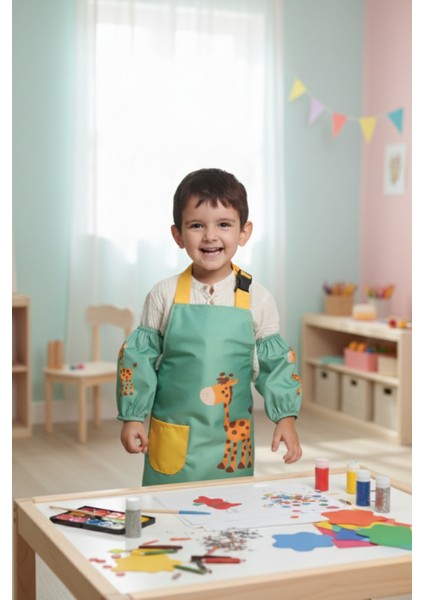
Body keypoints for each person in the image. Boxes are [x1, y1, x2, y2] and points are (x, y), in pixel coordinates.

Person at [117, 168, 302, 486]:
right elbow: (139, 361)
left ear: (244, 232)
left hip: (230, 443)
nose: (210, 236)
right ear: (178, 235)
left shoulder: (258, 299)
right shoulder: (164, 294)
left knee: (230, 509)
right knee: (167, 509)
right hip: (174, 436)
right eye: (197, 225)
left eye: (224, 225)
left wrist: (285, 418)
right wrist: (133, 416)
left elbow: (276, 367)